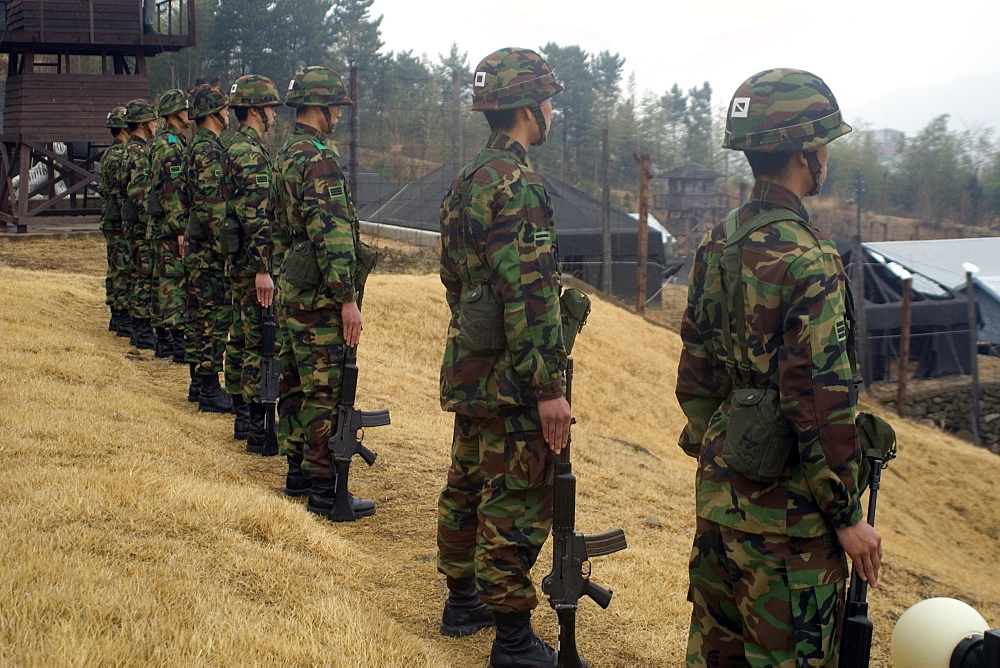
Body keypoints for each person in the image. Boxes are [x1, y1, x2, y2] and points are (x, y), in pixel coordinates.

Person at [675, 68, 882, 667]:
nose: (826, 157)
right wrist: (846, 515)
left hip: (720, 503)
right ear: (803, 154)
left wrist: (719, 458)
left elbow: (697, 370)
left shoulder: (718, 243)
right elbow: (818, 398)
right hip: (789, 528)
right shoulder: (810, 258)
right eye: (824, 145)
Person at [435, 47, 571, 667]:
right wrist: (548, 387)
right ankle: (513, 640)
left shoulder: (467, 179)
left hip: (472, 361)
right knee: (515, 498)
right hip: (515, 378)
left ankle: (462, 598)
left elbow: (453, 280)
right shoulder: (520, 185)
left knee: (466, 480)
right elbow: (532, 294)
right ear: (524, 107)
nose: (550, 110)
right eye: (547, 100)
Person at [271, 66, 374, 518]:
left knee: (294, 380)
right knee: (324, 390)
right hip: (318, 296)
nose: (338, 114)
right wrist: (347, 298)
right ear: (318, 107)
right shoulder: (318, 158)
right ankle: (322, 487)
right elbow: (332, 233)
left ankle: (297, 471)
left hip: (293, 286)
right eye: (335, 106)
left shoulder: (287, 154)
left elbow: (278, 227)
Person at [222, 74, 281, 452]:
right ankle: (256, 426)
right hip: (252, 264)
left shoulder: (238, 148)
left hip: (240, 260)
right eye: (270, 107)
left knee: (244, 338)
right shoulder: (250, 154)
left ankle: (246, 420)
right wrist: (264, 267)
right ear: (257, 110)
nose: (275, 113)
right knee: (258, 341)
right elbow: (256, 216)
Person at [184, 84, 233, 414]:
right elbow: (212, 207)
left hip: (198, 247)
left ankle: (198, 383)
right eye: (225, 109)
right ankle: (208, 388)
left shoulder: (196, 148)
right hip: (209, 251)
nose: (229, 114)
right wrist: (228, 250)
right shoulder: (210, 152)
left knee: (199, 315)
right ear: (214, 114)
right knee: (212, 318)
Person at [148, 88, 191, 363]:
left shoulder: (167, 141)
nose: (189, 114)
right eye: (185, 109)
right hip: (168, 228)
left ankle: (165, 339)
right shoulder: (171, 145)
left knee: (162, 282)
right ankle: (175, 343)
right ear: (175, 113)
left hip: (162, 227)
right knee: (173, 283)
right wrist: (180, 229)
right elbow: (171, 191)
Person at [119, 98, 159, 352]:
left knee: (138, 274)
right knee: (144, 276)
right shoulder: (138, 153)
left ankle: (139, 328)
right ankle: (142, 329)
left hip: (132, 223)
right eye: (153, 120)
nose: (156, 124)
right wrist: (152, 221)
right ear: (144, 124)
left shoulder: (130, 150)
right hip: (140, 226)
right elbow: (140, 191)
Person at [98, 106, 131, 339]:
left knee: (116, 267)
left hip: (112, 217)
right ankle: (121, 315)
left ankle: (117, 314)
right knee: (123, 268)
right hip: (118, 219)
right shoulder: (120, 154)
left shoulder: (109, 153)